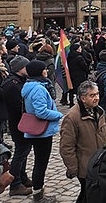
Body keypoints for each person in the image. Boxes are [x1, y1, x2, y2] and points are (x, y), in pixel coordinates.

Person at [22, 60, 64, 203]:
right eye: (44, 69)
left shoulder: (32, 85)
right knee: (41, 163)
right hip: (41, 131)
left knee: (40, 162)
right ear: (39, 71)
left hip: (38, 131)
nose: (46, 71)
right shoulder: (38, 89)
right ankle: (38, 195)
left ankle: (38, 191)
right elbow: (41, 112)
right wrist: (58, 115)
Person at [60, 80, 106, 203]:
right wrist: (73, 168)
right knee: (89, 194)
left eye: (97, 94)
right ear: (82, 98)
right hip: (85, 167)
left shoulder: (100, 111)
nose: (96, 98)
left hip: (100, 164)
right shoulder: (72, 117)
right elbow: (66, 146)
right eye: (92, 95)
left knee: (92, 195)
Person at [2, 55, 33, 196]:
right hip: (19, 123)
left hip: (22, 123)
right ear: (21, 69)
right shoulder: (12, 84)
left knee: (24, 152)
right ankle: (14, 184)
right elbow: (18, 106)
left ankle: (22, 177)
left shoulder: (20, 80)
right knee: (20, 153)